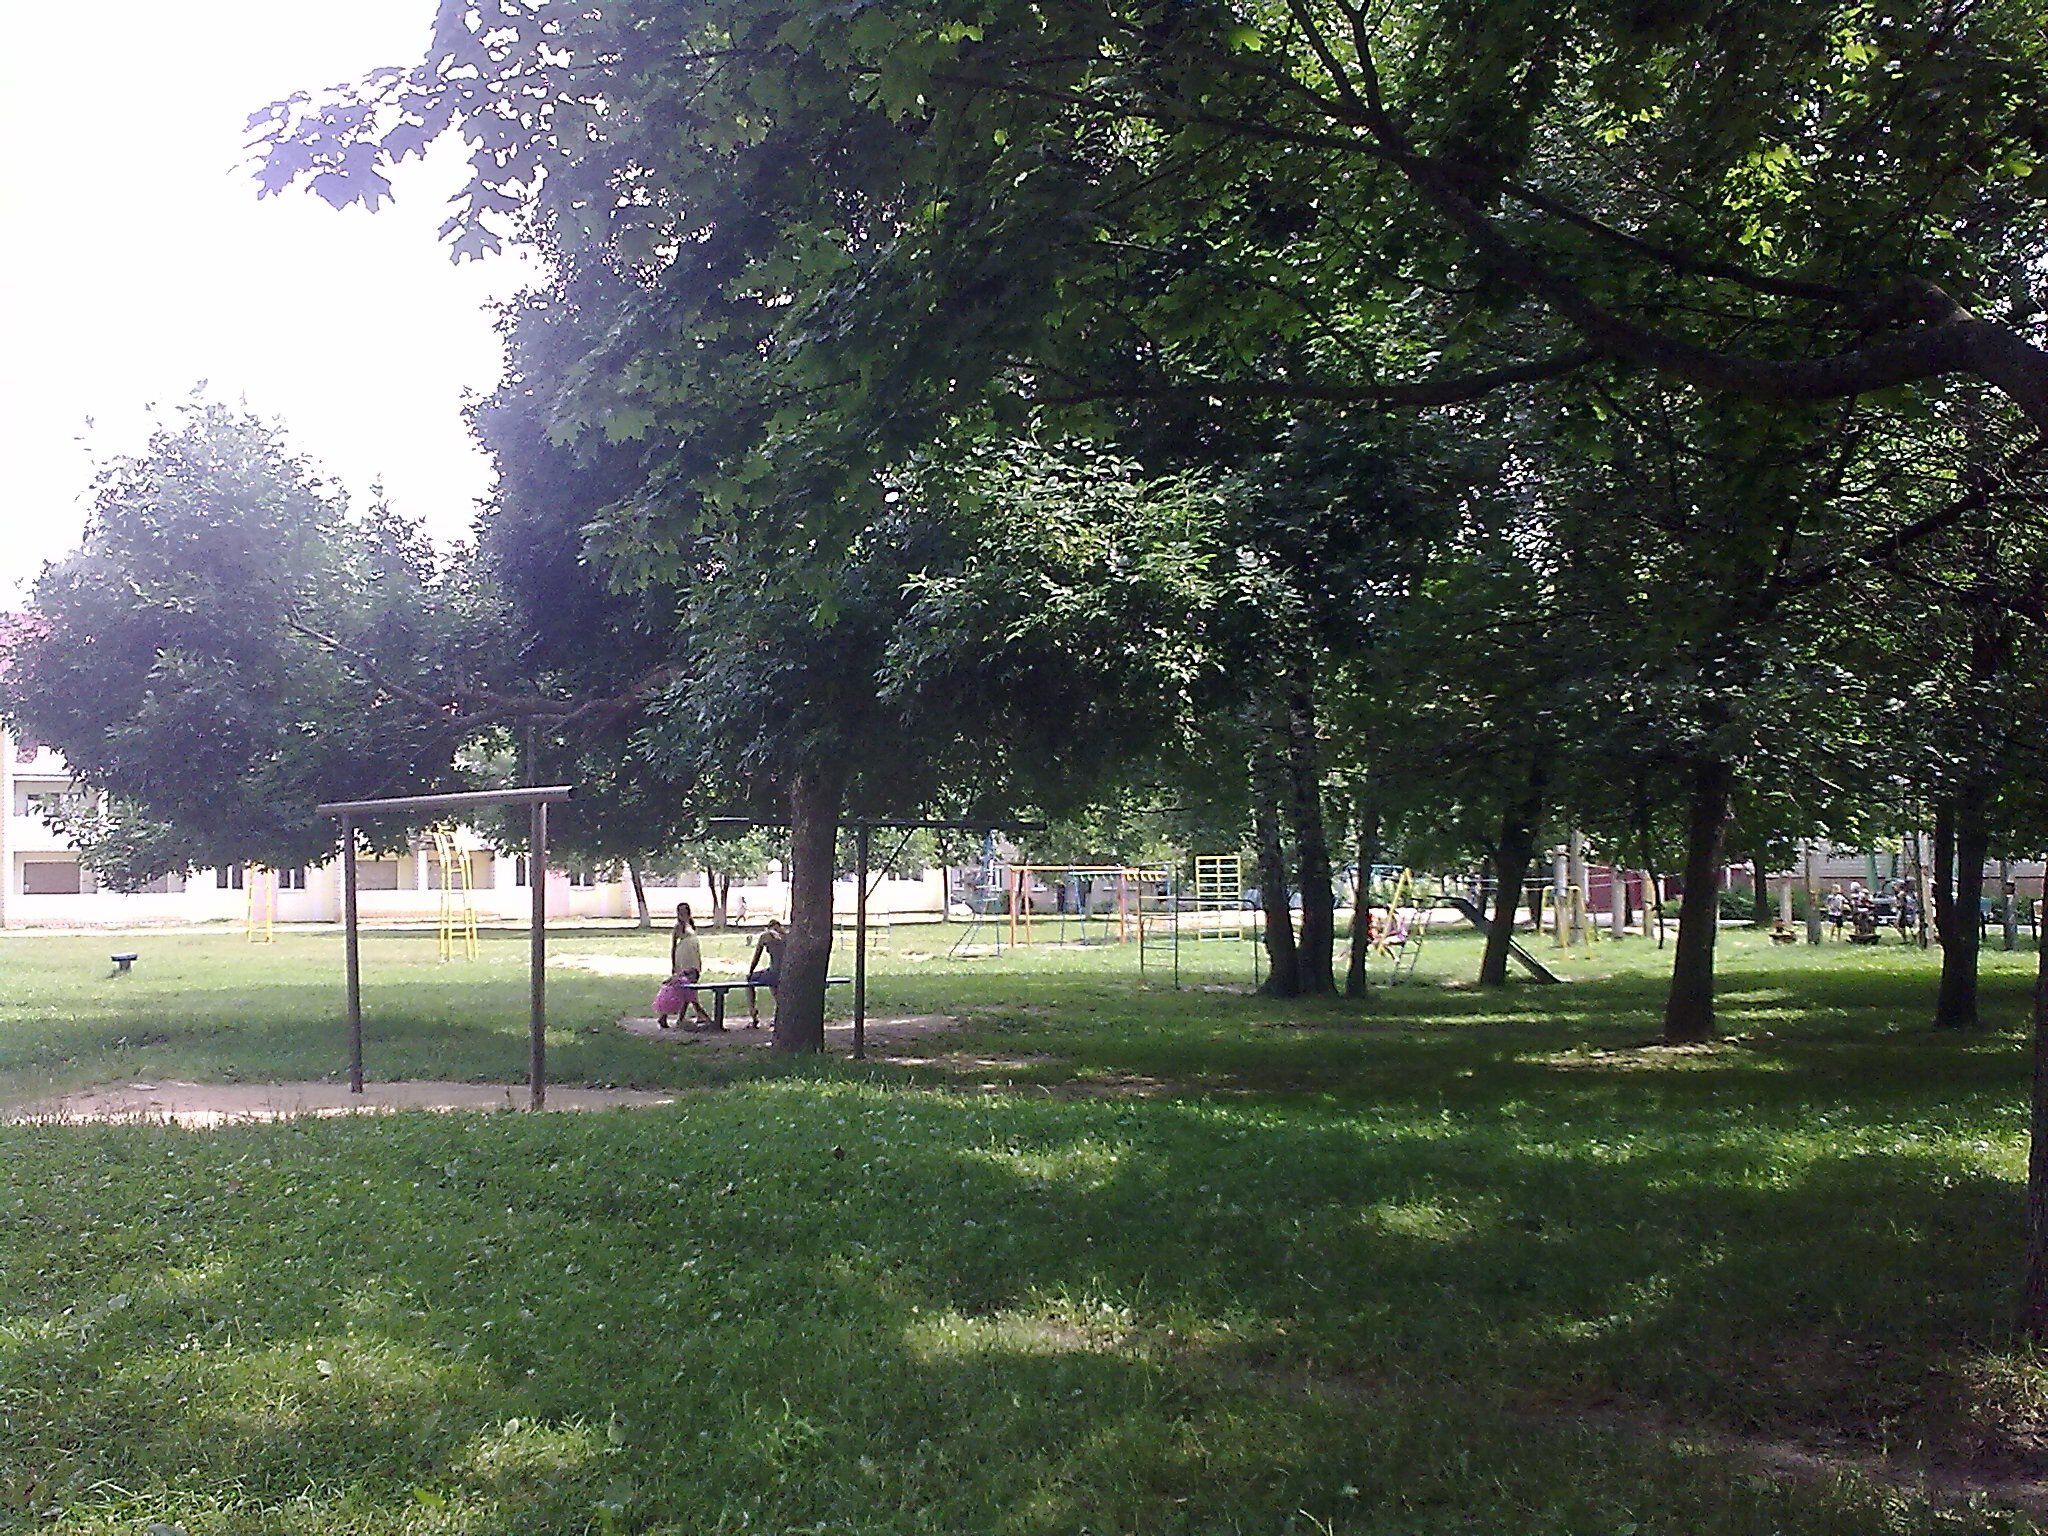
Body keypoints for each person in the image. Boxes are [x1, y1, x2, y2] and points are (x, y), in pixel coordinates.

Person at [658, 902, 714, 1031]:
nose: (683, 914)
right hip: (684, 959)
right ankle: (696, 1015)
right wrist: (674, 964)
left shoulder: (691, 924)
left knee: (688, 990)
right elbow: (673, 946)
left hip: (693, 957)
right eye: (680, 911)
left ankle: (681, 1017)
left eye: (685, 911)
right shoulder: (678, 927)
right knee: (685, 988)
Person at [746, 918, 786, 1027]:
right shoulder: (787, 936)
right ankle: (779, 1016)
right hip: (784, 973)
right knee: (774, 986)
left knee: (750, 980)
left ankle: (753, 1012)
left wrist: (750, 972)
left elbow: (756, 957)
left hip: (773, 973)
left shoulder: (765, 936)